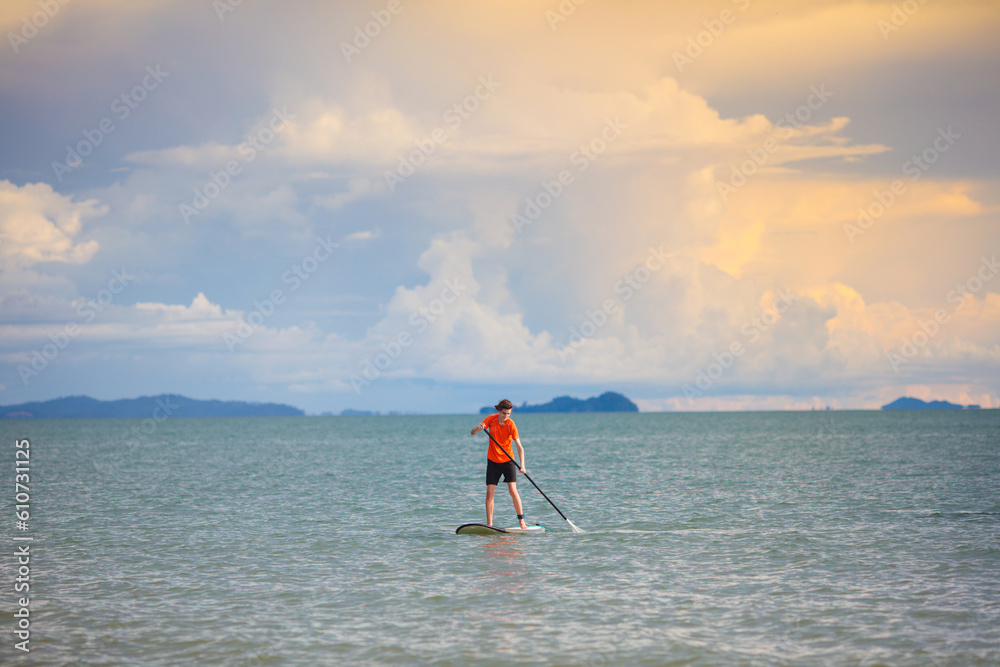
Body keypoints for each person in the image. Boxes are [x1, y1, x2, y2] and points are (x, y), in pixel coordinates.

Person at [471, 399, 528, 529]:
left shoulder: (510, 424)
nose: (506, 416)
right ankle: (489, 524)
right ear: (498, 411)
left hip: (508, 461)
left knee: (513, 491)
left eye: (508, 413)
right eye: (504, 413)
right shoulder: (491, 419)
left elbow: (520, 447)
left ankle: (521, 522)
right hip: (492, 461)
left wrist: (522, 465)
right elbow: (472, 433)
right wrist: (478, 428)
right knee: (490, 492)